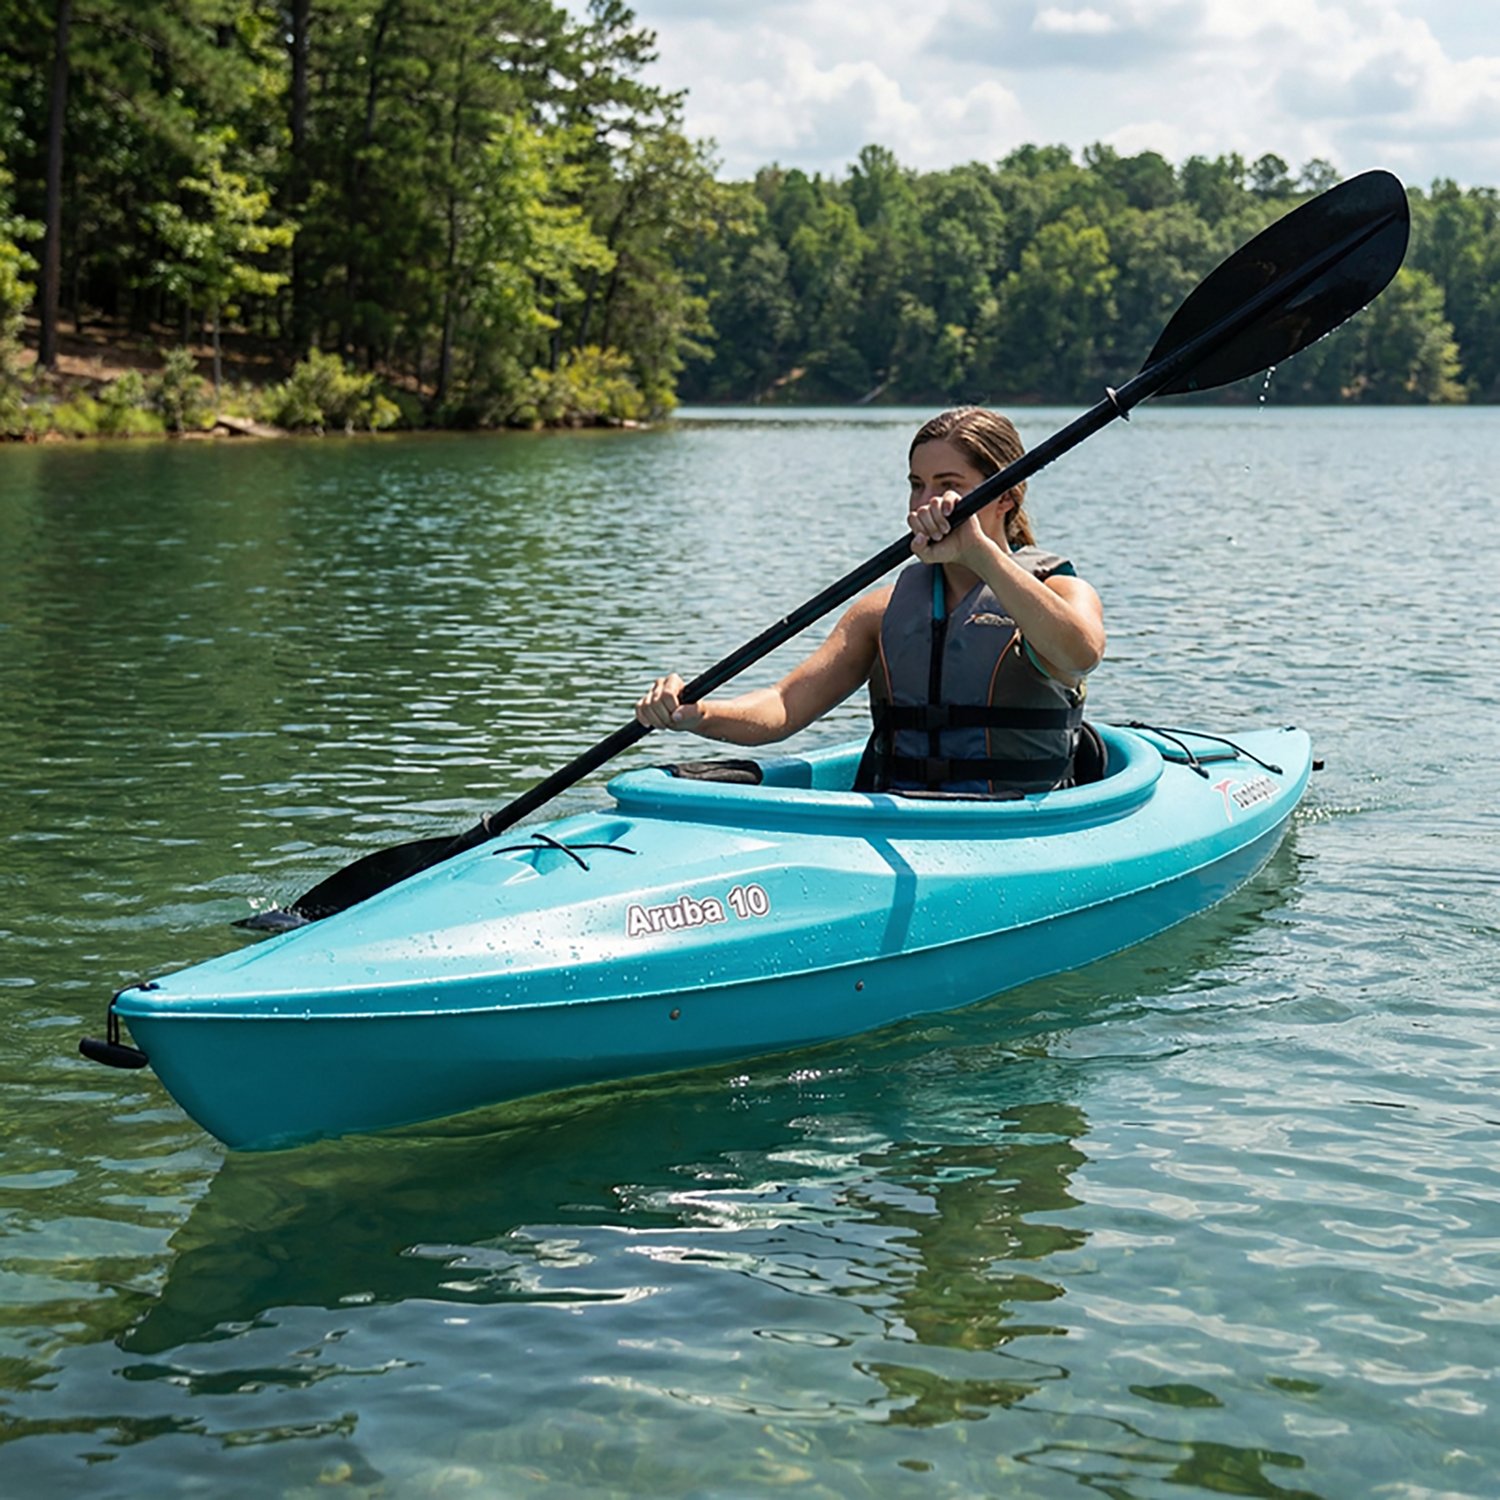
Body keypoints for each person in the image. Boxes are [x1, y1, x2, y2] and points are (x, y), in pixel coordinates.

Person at [635, 407, 1107, 795]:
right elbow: (783, 706)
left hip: (1013, 826)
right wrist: (698, 715)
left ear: (1005, 496)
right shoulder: (878, 613)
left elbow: (1080, 655)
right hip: (898, 816)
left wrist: (981, 554)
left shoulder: (1061, 592)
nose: (924, 503)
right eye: (916, 485)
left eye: (949, 486)